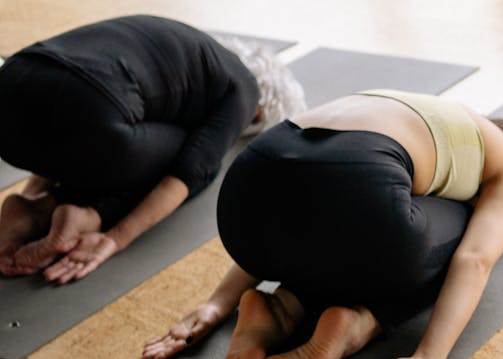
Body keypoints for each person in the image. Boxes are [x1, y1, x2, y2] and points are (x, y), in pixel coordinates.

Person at [141, 90, 503, 359]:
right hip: (360, 194)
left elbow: (309, 184)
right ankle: (356, 326)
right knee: (463, 227)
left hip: (246, 199)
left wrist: (216, 303)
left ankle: (283, 307)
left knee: (330, 214)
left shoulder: (411, 104)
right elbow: (474, 260)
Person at [0, 15, 303, 282]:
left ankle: (32, 207)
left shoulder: (177, 40)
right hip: (94, 121)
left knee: (94, 117)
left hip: (13, 87)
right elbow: (188, 173)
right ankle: (81, 214)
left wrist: (32, 189)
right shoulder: (246, 85)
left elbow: (62, 101)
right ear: (260, 111)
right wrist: (113, 239)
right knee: (201, 157)